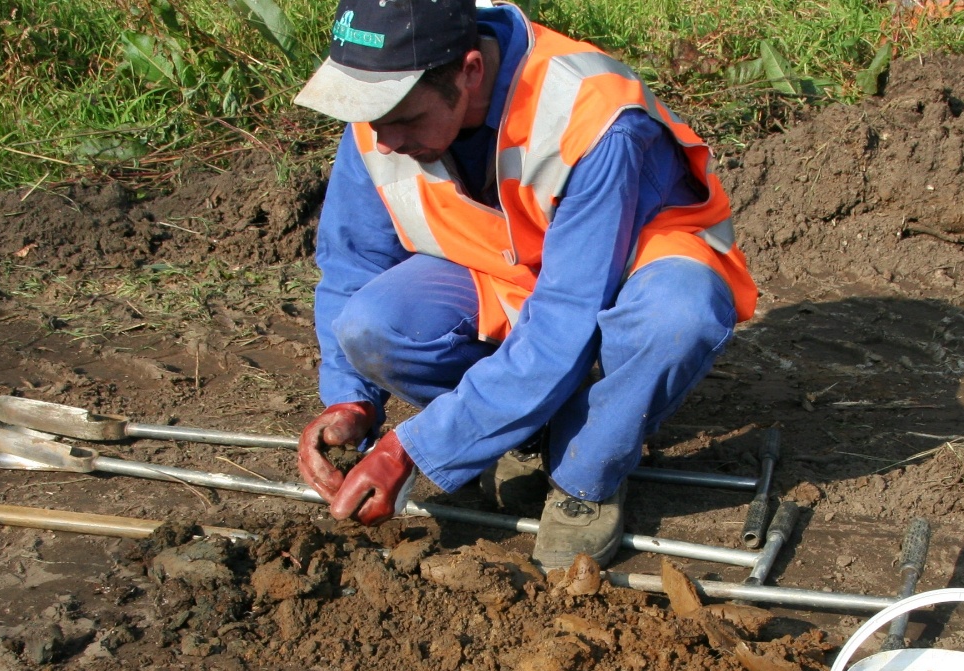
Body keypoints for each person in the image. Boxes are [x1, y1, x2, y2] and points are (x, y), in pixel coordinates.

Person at [291, 0, 756, 569]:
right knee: (370, 324)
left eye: (404, 119)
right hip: (509, 262)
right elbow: (352, 265)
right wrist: (351, 400)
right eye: (372, 118)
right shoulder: (383, 114)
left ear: (468, 71)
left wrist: (411, 449)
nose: (383, 141)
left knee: (676, 317)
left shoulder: (591, 113)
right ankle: (522, 430)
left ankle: (586, 475)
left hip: (633, 264)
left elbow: (566, 315)